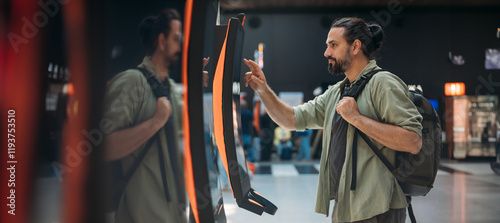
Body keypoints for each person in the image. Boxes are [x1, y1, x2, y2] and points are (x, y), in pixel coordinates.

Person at [244, 17, 422, 223]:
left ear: (356, 46)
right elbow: (290, 120)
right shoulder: (337, 92)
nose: (326, 52)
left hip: (378, 208)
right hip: (346, 205)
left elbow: (413, 141)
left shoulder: (383, 83)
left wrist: (356, 118)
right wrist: (263, 90)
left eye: (333, 45)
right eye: (328, 45)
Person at [102, 9, 186, 223]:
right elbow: (105, 146)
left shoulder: (171, 88)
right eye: (176, 39)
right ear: (161, 40)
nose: (181, 46)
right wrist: (155, 122)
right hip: (142, 215)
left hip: (175, 215)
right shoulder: (131, 82)